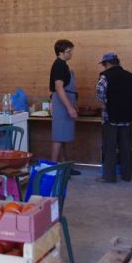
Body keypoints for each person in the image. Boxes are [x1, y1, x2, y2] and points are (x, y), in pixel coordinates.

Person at [95, 52, 132, 183]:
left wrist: (109, 101)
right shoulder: (131, 76)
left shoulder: (105, 77)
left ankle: (109, 177)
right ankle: (127, 176)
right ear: (117, 62)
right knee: (126, 147)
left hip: (111, 118)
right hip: (127, 118)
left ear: (107, 64)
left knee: (110, 148)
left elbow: (100, 93)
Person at [49, 39, 81, 174]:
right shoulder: (59, 65)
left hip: (65, 102)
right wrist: (69, 107)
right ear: (61, 52)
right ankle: (52, 169)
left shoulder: (64, 65)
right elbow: (59, 88)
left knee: (63, 137)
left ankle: (65, 167)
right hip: (62, 104)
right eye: (69, 51)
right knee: (58, 137)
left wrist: (74, 104)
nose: (71, 54)